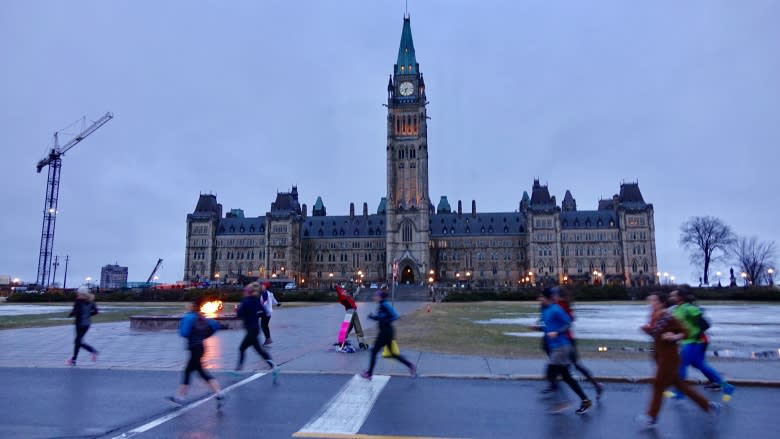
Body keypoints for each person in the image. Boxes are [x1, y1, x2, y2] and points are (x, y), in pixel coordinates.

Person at [636, 293, 720, 428]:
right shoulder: (655, 316)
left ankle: (651, 417)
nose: (650, 303)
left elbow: (685, 332)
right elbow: (656, 333)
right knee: (681, 386)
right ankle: (709, 406)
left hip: (670, 358)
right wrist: (648, 330)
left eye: (653, 301)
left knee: (658, 385)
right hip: (660, 357)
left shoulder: (668, 317)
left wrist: (674, 337)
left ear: (662, 303)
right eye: (650, 301)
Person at [667, 288, 735, 402]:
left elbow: (705, 324)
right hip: (687, 341)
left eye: (673, 295)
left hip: (694, 342)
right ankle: (727, 386)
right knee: (700, 365)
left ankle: (680, 392)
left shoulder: (689, 308)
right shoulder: (677, 309)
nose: (671, 297)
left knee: (681, 365)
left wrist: (695, 335)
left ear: (680, 297)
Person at [533, 288, 592, 415]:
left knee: (550, 373)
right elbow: (548, 328)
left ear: (547, 298)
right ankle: (585, 400)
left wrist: (558, 332)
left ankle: (563, 401)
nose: (539, 299)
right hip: (554, 347)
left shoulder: (556, 309)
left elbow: (568, 323)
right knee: (566, 376)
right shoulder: (546, 311)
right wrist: (537, 329)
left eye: (541, 297)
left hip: (562, 346)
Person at [548, 287, 604, 400]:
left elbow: (570, 320)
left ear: (557, 296)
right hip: (565, 340)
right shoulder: (562, 304)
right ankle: (595, 386)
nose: (552, 297)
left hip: (565, 341)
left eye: (553, 295)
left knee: (565, 367)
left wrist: (557, 330)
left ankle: (559, 391)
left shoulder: (560, 305)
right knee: (569, 366)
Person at [169, 297, 224, 408]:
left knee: (188, 371)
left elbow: (184, 333)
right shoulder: (203, 317)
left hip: (194, 347)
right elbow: (215, 326)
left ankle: (180, 397)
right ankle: (219, 393)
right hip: (201, 347)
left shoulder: (189, 317)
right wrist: (205, 335)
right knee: (201, 372)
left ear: (191, 306)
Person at [360, 285, 416, 380]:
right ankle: (410, 365)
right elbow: (381, 317)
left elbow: (395, 315)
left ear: (380, 297)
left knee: (374, 352)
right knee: (393, 354)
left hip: (385, 332)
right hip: (387, 332)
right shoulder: (381, 305)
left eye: (376, 296)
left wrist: (386, 320)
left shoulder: (384, 304)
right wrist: (373, 317)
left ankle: (369, 373)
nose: (374, 297)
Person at [235, 282, 277, 378]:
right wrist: (254, 315)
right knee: (259, 350)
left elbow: (239, 314)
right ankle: (273, 366)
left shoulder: (246, 301)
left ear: (248, 292)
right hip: (255, 329)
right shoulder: (256, 300)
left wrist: (238, 310)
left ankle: (238, 369)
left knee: (242, 348)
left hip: (251, 330)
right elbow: (263, 312)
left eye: (245, 290)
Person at [67, 286, 99, 366]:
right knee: (78, 341)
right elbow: (96, 311)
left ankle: (92, 350)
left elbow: (76, 311)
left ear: (80, 293)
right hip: (87, 324)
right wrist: (88, 315)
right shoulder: (91, 300)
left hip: (79, 323)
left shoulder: (78, 301)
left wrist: (71, 314)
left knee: (78, 342)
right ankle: (73, 360)